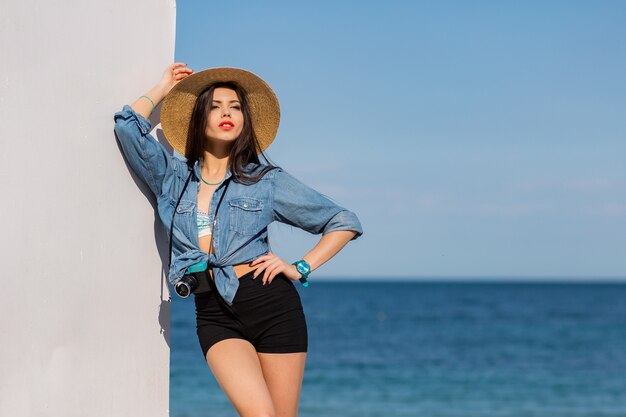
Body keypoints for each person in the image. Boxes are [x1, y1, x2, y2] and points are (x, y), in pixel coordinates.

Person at [113, 62, 363, 417]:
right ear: (199, 119)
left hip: (271, 304)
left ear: (245, 120)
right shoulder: (172, 178)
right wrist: (163, 87)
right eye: (215, 107)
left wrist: (301, 266)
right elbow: (127, 128)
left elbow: (343, 221)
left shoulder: (265, 180)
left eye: (235, 107)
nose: (226, 113)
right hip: (213, 312)